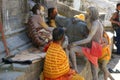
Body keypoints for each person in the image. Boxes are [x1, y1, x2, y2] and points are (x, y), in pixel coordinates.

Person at [69, 7, 104, 80]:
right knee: (94, 72)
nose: (86, 13)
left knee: (72, 48)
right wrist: (78, 20)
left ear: (91, 14)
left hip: (93, 49)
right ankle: (75, 69)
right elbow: (88, 24)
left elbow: (88, 39)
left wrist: (75, 43)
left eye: (87, 12)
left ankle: (75, 69)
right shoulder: (96, 22)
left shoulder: (95, 24)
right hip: (94, 48)